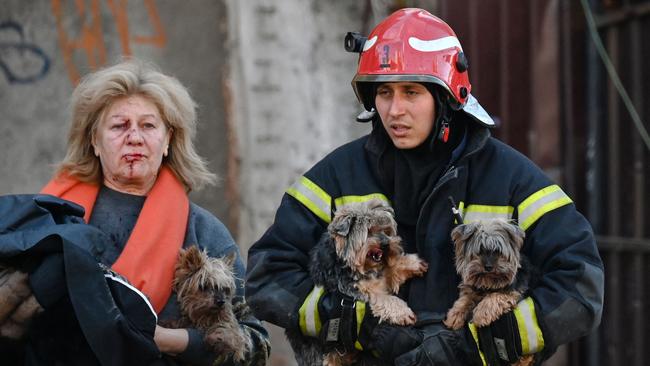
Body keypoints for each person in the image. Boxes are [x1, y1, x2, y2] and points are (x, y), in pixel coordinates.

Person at [245, 8, 603, 366]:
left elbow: (581, 286)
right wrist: (361, 326)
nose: (395, 110)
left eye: (411, 92)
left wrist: (474, 346)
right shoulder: (337, 176)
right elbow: (268, 276)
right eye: (385, 92)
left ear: (446, 97)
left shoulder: (512, 179)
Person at [0, 59, 270, 365]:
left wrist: (170, 341)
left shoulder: (203, 231)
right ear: (94, 140)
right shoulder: (49, 216)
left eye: (148, 125)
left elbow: (256, 345)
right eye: (119, 125)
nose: (135, 137)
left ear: (168, 140)